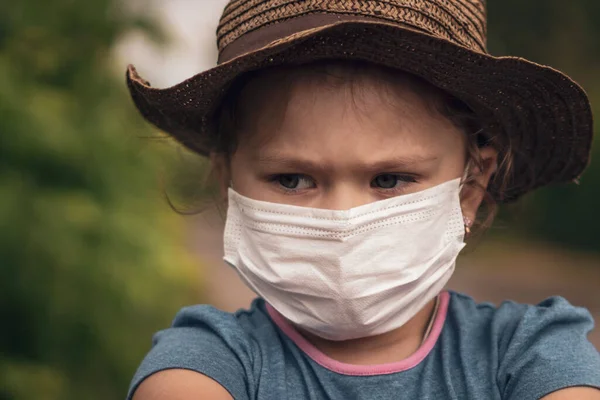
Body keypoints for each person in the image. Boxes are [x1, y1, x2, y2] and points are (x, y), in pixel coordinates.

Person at [125, 1, 600, 399]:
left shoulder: (533, 354)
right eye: (291, 179)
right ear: (229, 182)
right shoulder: (205, 363)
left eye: (390, 179)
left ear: (471, 187)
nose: (343, 220)